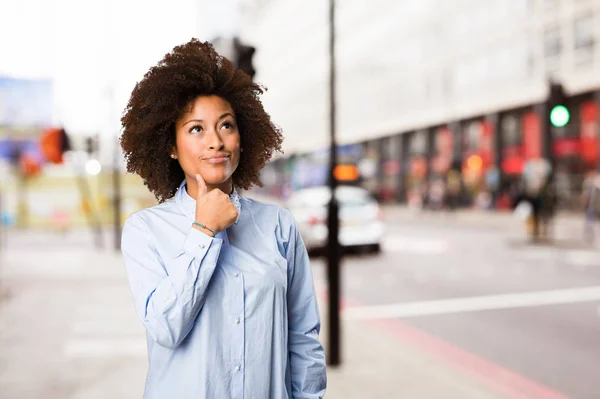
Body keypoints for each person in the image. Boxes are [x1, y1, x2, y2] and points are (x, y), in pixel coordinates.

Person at [119, 39, 327, 399]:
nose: (215, 141)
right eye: (196, 129)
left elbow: (303, 338)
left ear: (242, 138)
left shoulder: (278, 225)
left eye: (226, 125)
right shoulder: (146, 231)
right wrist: (205, 231)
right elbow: (166, 327)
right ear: (171, 146)